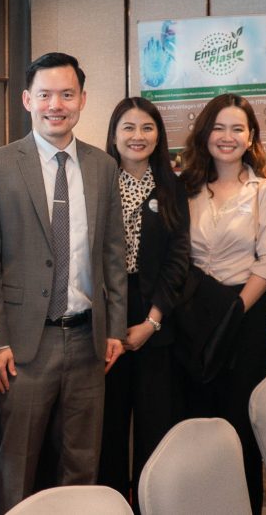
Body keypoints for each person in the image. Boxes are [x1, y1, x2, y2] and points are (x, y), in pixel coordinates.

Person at [0, 52, 127, 514]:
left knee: (81, 461)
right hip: (24, 345)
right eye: (44, 95)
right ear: (27, 100)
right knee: (17, 462)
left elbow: (113, 254)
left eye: (66, 94)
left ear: (82, 99)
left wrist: (116, 328)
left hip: (88, 340)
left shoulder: (103, 166)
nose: (55, 105)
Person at [180, 92, 266, 515]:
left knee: (239, 421)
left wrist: (233, 311)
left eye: (237, 129)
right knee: (195, 419)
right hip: (192, 313)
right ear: (205, 133)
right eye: (219, 127)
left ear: (251, 137)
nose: (227, 137)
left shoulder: (265, 191)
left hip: (244, 313)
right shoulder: (187, 187)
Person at [97, 97, 189, 508]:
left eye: (147, 127)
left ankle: (150, 505)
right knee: (108, 427)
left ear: (159, 135)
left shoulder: (172, 187)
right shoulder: (96, 181)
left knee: (155, 425)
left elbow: (178, 260)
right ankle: (111, 505)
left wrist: (152, 322)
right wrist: (109, 324)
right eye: (128, 127)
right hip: (105, 315)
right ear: (114, 134)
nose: (138, 136)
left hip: (156, 313)